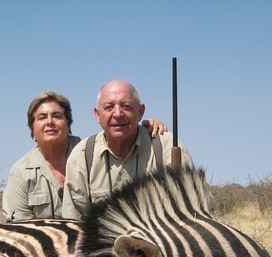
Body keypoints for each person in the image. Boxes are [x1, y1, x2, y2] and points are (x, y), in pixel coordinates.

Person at [2, 91, 167, 221]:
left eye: (57, 116)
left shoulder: (88, 153)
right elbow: (21, 230)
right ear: (31, 127)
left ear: (69, 123)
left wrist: (143, 126)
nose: (50, 122)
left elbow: (116, 135)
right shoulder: (21, 172)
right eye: (42, 117)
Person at [61, 80, 193, 219]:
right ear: (97, 115)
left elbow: (193, 214)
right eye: (109, 107)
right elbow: (73, 222)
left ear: (140, 111)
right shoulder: (82, 155)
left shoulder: (167, 146)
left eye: (126, 106)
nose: (117, 114)